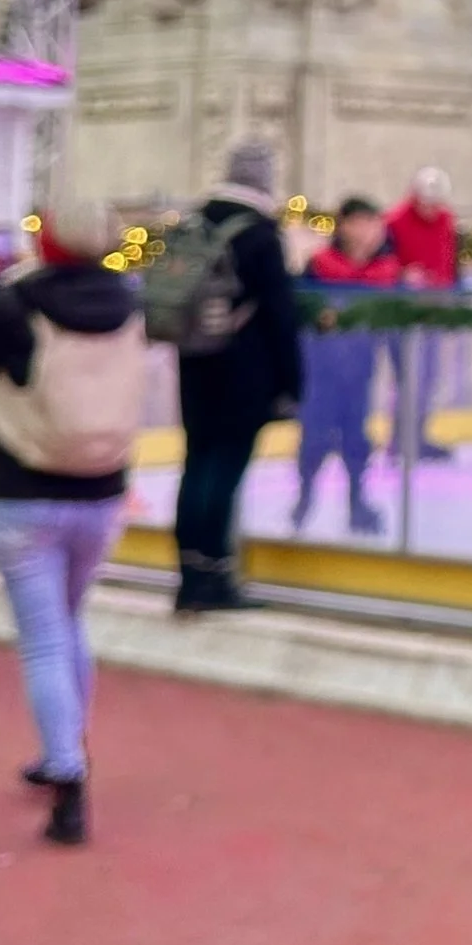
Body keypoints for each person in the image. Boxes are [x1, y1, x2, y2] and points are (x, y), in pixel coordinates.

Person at [0, 199, 145, 846]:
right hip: (102, 488)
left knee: (44, 638)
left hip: (24, 488)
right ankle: (67, 744)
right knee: (71, 620)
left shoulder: (17, 300)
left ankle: (66, 769)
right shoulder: (132, 303)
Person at [171, 139, 303, 614]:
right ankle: (215, 576)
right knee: (224, 471)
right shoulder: (260, 234)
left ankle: (188, 577)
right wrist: (291, 383)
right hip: (243, 372)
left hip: (194, 364)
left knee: (197, 464)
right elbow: (280, 315)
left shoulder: (195, 222)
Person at [294, 196, 399, 535]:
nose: (371, 232)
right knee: (315, 437)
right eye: (363, 223)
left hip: (360, 370)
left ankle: (357, 502)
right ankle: (305, 498)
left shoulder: (386, 274)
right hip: (320, 372)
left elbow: (397, 324)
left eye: (375, 224)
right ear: (346, 226)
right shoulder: (319, 267)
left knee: (357, 438)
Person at [388, 163, 460, 460]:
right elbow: (383, 262)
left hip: (434, 310)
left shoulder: (446, 220)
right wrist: (404, 275)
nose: (431, 211)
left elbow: (450, 258)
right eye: (425, 204)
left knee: (428, 378)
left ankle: (418, 434)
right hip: (402, 314)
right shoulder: (395, 221)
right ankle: (400, 439)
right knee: (408, 379)